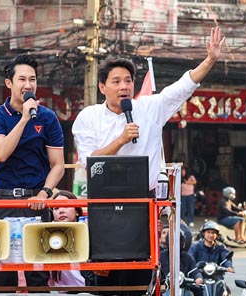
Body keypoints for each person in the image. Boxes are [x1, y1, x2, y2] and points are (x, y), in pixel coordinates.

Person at [73, 27, 225, 192]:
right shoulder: (88, 116)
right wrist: (120, 141)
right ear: (102, 87)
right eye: (116, 82)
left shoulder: (149, 107)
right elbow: (89, 163)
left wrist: (210, 60)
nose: (124, 86)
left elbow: (182, 88)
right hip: (104, 197)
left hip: (145, 198)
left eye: (128, 81)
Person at [0, 53, 65, 289]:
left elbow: (58, 164)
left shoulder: (48, 118)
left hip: (35, 200)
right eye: (22, 79)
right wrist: (23, 119)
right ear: (9, 83)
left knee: (38, 274)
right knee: (2, 275)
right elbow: (0, 153)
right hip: (2, 200)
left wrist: (45, 192)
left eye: (33, 79)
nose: (28, 85)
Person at [47, 190, 85, 289]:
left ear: (77, 211)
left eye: (66, 206)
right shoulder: (46, 232)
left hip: (86, 291)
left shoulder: (88, 228)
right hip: (56, 294)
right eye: (56, 208)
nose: (61, 211)